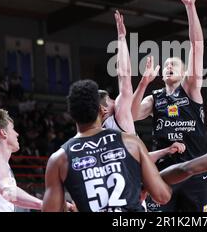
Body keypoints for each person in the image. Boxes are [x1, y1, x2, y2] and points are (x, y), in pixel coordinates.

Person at [131, 0, 207, 212]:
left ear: (184, 73)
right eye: (165, 65)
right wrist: (144, 82)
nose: (169, 66)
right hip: (163, 174)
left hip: (194, 171)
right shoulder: (155, 98)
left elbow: (197, 46)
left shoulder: (191, 89)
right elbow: (132, 115)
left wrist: (190, 6)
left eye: (174, 64)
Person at [42, 79, 171, 212]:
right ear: (102, 110)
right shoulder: (130, 142)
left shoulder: (58, 159)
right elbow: (162, 196)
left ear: (72, 115)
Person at [101, 11, 186, 162]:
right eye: (110, 100)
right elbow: (124, 74)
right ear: (103, 109)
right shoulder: (119, 117)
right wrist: (121, 38)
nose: (115, 101)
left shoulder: (86, 136)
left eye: (174, 64)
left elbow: (141, 158)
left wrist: (166, 150)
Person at [0, 109, 42, 212]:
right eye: (13, 129)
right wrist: (46, 204)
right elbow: (9, 193)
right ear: (3, 133)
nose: (17, 134)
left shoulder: (2, 164)